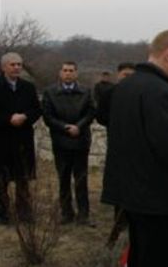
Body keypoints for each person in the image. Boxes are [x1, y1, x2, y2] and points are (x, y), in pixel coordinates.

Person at [101, 30, 168, 266]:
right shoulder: (160, 91)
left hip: (130, 191)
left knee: (140, 256)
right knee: (158, 258)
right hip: (157, 196)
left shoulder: (124, 87)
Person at [41, 61, 96, 225]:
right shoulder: (50, 92)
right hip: (60, 141)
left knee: (81, 179)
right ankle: (66, 213)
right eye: (65, 70)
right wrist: (65, 127)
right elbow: (47, 116)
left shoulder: (86, 92)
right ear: (60, 73)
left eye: (71, 70)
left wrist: (78, 126)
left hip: (80, 140)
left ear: (76, 73)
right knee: (63, 178)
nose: (68, 73)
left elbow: (91, 112)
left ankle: (83, 215)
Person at [0, 52, 42, 225]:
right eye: (13, 64)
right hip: (1, 140)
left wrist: (24, 116)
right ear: (3, 67)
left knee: (23, 178)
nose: (17, 67)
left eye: (19, 64)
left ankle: (24, 213)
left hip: (23, 139)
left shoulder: (28, 87)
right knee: (1, 179)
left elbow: (36, 109)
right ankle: (2, 213)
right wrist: (9, 118)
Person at [95, 62, 135, 127]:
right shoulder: (108, 93)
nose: (128, 78)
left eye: (131, 75)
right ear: (118, 74)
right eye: (125, 75)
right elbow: (101, 117)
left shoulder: (141, 93)